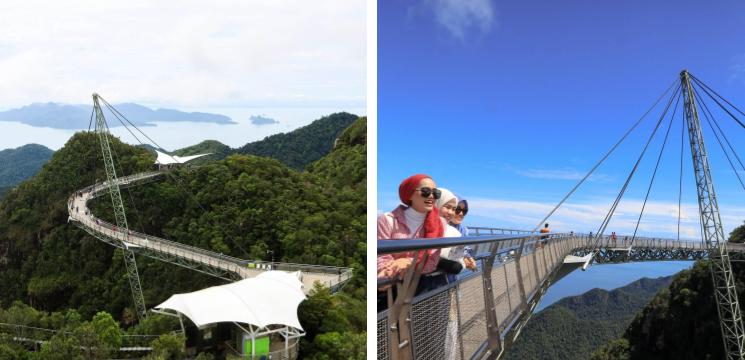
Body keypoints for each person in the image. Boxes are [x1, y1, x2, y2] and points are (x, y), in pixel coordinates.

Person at [377, 174, 448, 298]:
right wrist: (389, 271)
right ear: (409, 194)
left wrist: (408, 262)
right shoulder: (387, 220)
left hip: (419, 288)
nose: (431, 196)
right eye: (425, 191)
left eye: (435, 193)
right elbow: (380, 256)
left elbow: (431, 262)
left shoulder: (439, 224)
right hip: (392, 288)